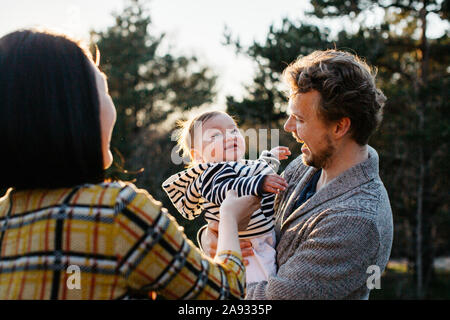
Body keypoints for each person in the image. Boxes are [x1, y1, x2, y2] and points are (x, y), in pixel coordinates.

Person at [0, 29, 260, 300]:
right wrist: (229, 217)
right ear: (73, 110)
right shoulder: (117, 211)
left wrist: (208, 238)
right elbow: (226, 296)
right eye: (104, 88)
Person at [199, 49, 394, 300]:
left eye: (299, 119)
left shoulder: (357, 221)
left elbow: (270, 300)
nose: (288, 127)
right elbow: (252, 222)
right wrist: (211, 238)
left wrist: (216, 271)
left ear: (339, 126)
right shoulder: (304, 166)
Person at [162, 110, 290, 285]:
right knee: (257, 285)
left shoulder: (240, 166)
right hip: (245, 248)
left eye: (233, 130)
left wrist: (271, 157)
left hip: (261, 241)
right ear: (198, 156)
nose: (229, 137)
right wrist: (259, 184)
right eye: (215, 135)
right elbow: (225, 190)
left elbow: (257, 168)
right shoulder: (211, 172)